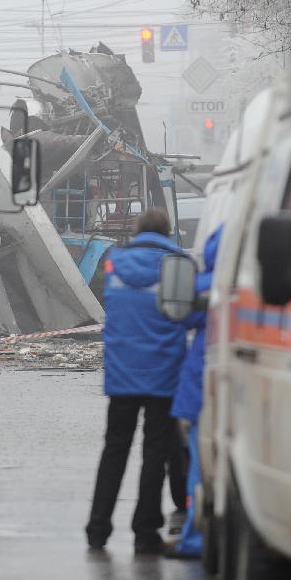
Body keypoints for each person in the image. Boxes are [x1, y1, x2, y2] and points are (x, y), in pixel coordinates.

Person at [85, 208, 204, 554]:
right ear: (167, 233)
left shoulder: (115, 265)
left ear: (138, 231)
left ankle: (97, 529)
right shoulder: (178, 266)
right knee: (155, 455)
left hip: (122, 376)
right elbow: (191, 315)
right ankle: (145, 532)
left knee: (114, 451)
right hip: (164, 377)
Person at [165, 225, 223, 559]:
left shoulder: (205, 285)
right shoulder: (252, 282)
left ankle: (195, 539)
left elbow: (180, 315)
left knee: (200, 469)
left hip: (204, 383)